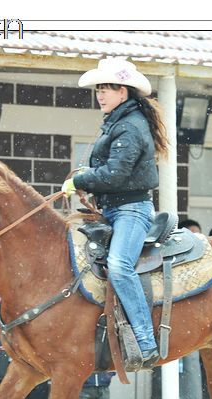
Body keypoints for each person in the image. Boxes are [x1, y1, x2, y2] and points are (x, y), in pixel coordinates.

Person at [62, 58, 168, 371]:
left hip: (131, 210)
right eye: (99, 89)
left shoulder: (130, 126)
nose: (101, 94)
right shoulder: (118, 121)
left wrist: (80, 179)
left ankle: (147, 342)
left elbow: (116, 174)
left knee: (120, 266)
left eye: (107, 88)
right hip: (113, 209)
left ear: (123, 92)